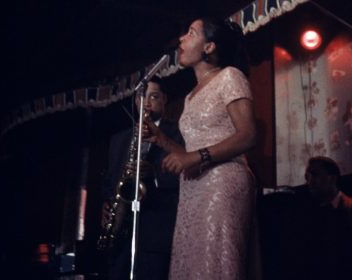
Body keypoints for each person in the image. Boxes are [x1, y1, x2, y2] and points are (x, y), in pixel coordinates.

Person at [143, 17, 258, 280]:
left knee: (215, 263)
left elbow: (249, 135)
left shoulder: (230, 76)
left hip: (222, 183)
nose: (181, 39)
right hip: (194, 187)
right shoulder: (191, 95)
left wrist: (199, 156)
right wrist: (161, 139)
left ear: (209, 47)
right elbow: (191, 152)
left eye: (191, 33)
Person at [99, 76, 184, 280]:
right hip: (121, 236)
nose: (146, 102)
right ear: (136, 101)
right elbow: (111, 180)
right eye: (142, 97)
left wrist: (153, 174)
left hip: (156, 233)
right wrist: (108, 204)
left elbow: (186, 178)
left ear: (164, 99)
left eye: (154, 96)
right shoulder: (119, 139)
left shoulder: (178, 133)